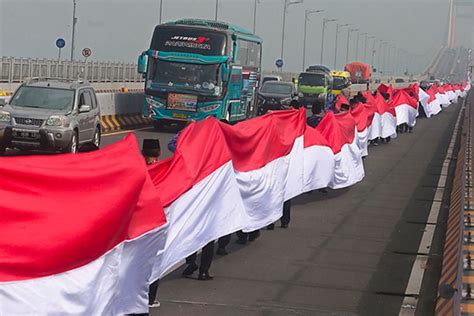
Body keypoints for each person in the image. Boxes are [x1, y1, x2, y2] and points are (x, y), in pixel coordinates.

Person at [167, 127, 216, 281]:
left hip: (191, 194)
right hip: (210, 195)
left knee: (191, 229)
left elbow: (172, 144)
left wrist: (185, 136)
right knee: (208, 234)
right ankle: (204, 270)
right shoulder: (215, 149)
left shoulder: (187, 145)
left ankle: (191, 261)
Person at [141, 139, 162, 309]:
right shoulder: (164, 171)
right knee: (154, 263)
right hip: (155, 227)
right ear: (159, 153)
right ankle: (150, 298)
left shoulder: (136, 170)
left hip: (137, 227)